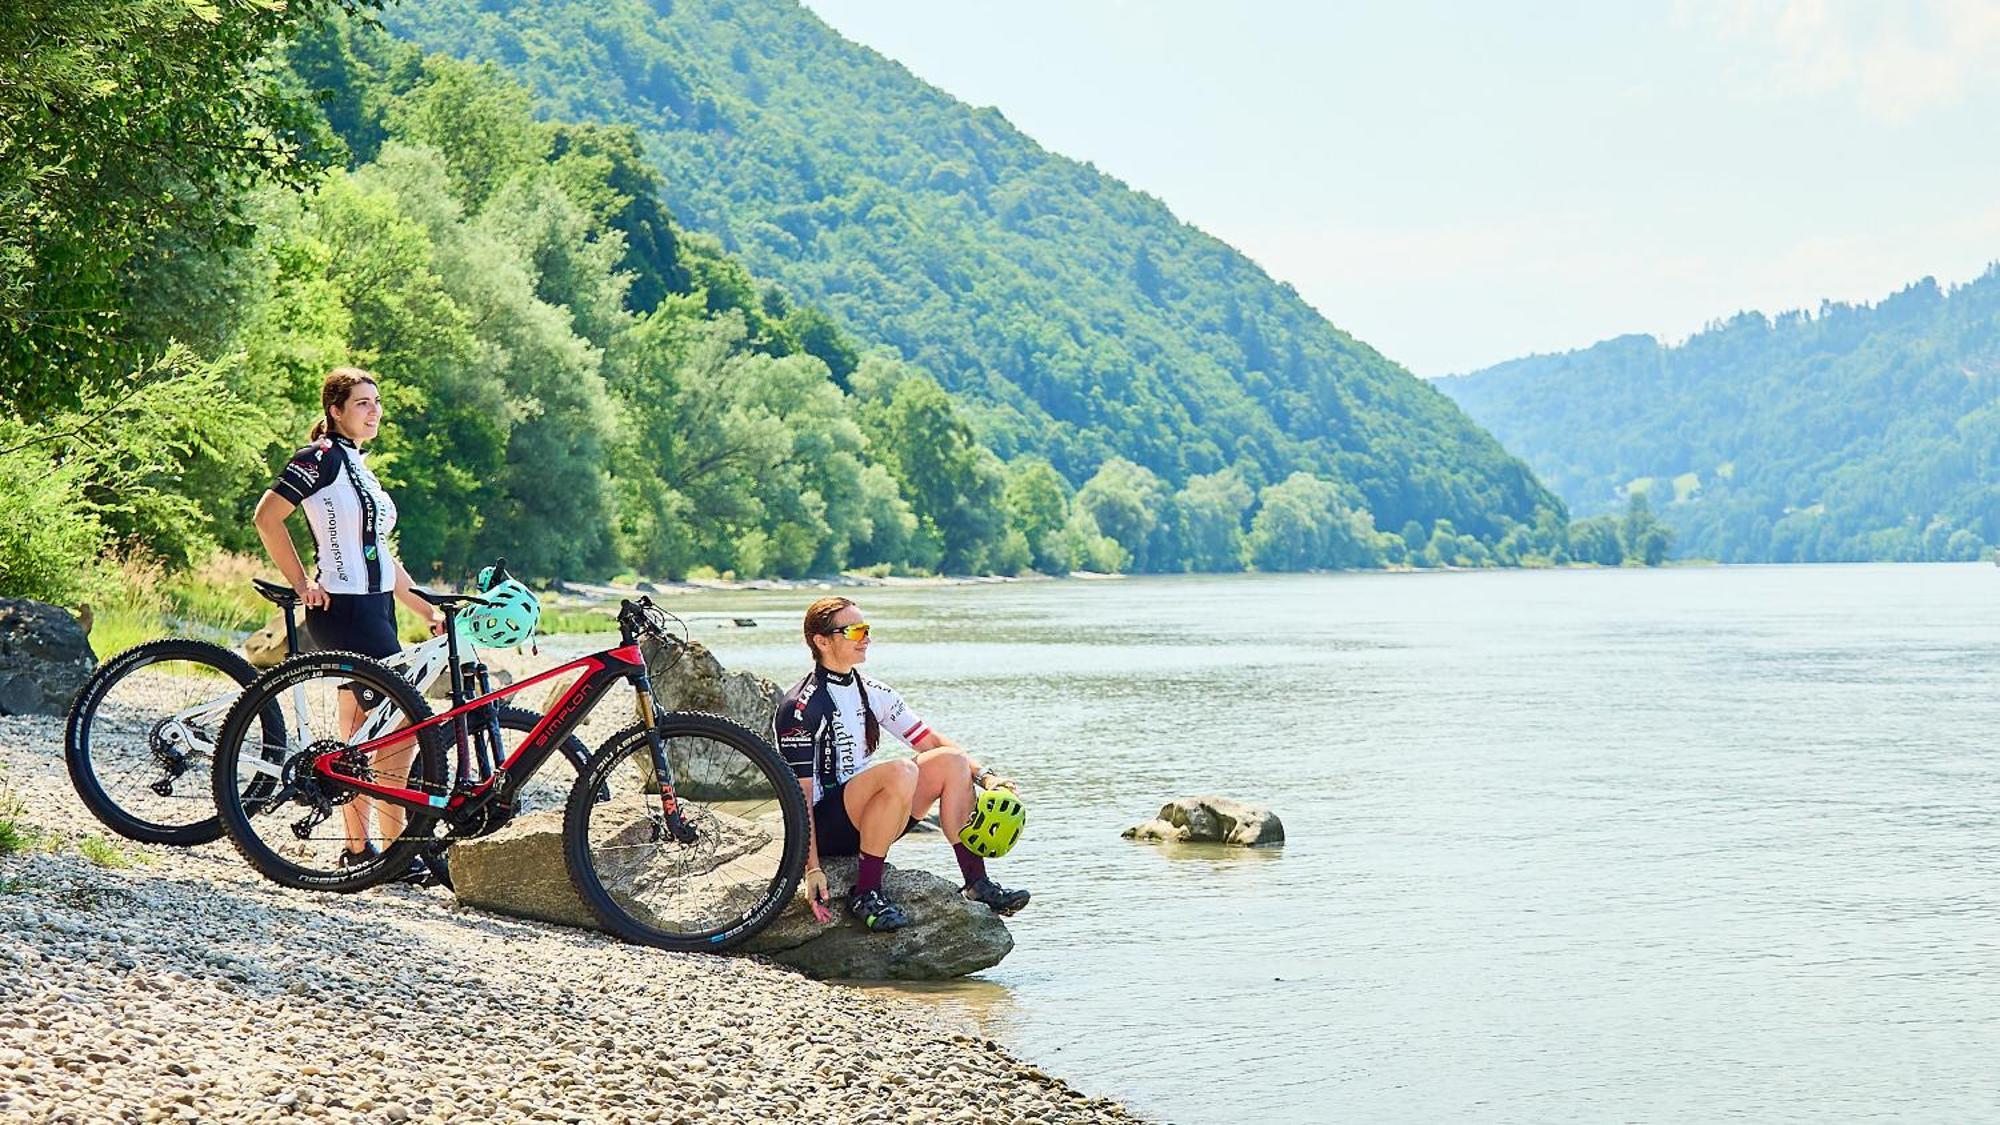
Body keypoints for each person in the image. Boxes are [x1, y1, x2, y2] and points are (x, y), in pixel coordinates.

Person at [251, 367, 444, 878]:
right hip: (344, 610)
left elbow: (380, 553)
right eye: (362, 403)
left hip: (378, 608)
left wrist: (425, 609)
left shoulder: (360, 467)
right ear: (335, 411)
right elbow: (267, 518)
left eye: (377, 402)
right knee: (399, 729)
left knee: (359, 735)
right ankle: (396, 849)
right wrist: (300, 584)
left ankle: (361, 850)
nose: (374, 411)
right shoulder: (319, 460)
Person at [776, 597, 1030, 932]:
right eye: (855, 630)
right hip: (827, 828)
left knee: (951, 761)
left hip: (874, 818)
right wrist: (810, 868)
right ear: (822, 641)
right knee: (902, 770)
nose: (866, 637)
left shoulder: (872, 690)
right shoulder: (800, 706)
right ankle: (866, 893)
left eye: (866, 629)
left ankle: (976, 884)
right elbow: (800, 797)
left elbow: (931, 744)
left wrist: (986, 778)